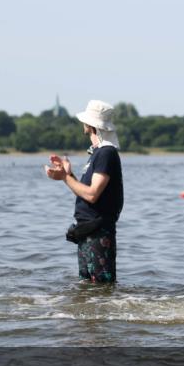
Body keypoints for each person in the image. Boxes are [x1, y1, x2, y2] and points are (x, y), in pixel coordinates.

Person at [45, 100, 123, 284]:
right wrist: (68, 174)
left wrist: (65, 177)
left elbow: (92, 194)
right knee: (88, 288)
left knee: (101, 288)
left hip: (98, 231)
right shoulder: (97, 153)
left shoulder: (106, 153)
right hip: (87, 230)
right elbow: (86, 193)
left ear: (90, 125)